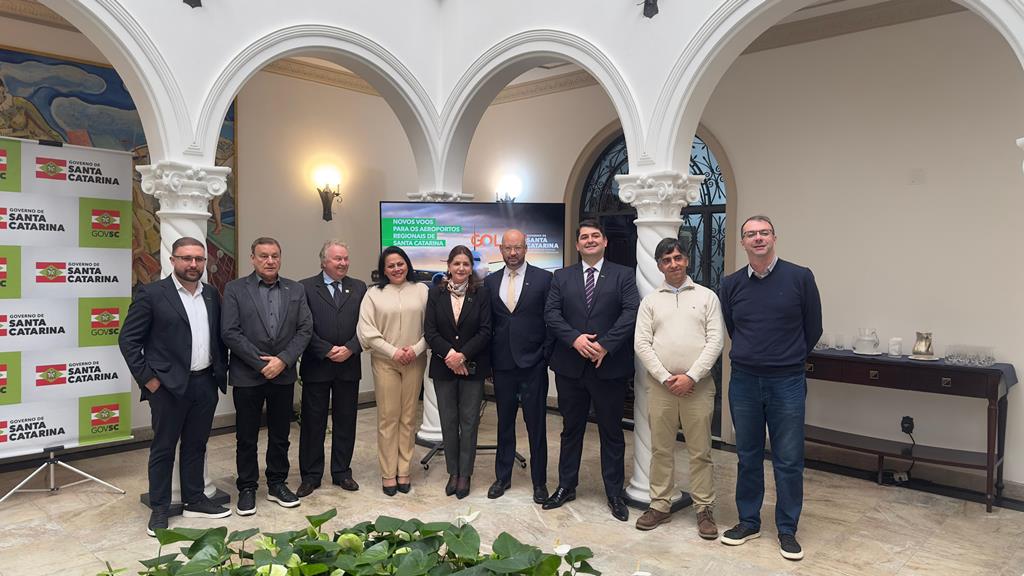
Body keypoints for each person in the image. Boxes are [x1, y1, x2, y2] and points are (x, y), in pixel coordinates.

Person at [718, 215, 822, 561]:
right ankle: (749, 521)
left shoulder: (800, 277)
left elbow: (813, 327)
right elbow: (733, 326)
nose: (758, 238)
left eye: (764, 233)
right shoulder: (731, 284)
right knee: (747, 455)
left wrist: (786, 357)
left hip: (787, 382)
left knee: (788, 460)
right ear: (743, 242)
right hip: (744, 381)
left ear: (774, 237)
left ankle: (787, 529)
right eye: (751, 234)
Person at [119, 236, 231, 537]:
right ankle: (159, 508)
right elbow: (128, 340)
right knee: (164, 448)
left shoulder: (211, 294)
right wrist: (149, 380)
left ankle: (195, 499)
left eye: (199, 259)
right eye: (186, 258)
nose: (193, 264)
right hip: (167, 388)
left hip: (205, 383)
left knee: (196, 445)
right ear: (173, 260)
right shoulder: (152, 294)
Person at [543, 219, 639, 521]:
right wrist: (575, 339)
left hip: (608, 367)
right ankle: (566, 486)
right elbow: (551, 313)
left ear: (605, 241)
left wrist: (605, 345)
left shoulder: (624, 275)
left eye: (595, 235)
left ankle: (614, 493)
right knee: (571, 430)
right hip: (570, 367)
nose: (590, 240)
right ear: (577, 244)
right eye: (584, 237)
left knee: (612, 432)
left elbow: (631, 312)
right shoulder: (562, 276)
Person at [633, 237, 723, 537]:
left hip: (698, 387)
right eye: (666, 260)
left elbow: (716, 342)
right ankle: (660, 505)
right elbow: (641, 344)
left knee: (701, 451)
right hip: (662, 388)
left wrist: (691, 377)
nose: (673, 264)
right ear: (659, 266)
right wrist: (665, 377)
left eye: (677, 258)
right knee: (661, 450)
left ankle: (704, 508)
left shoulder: (707, 297)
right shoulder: (650, 301)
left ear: (687, 260)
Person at [221, 237, 313, 515]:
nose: (270, 261)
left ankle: (276, 483)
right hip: (248, 375)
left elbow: (305, 329)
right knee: (246, 436)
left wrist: (283, 360)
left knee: (280, 434)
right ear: (253, 258)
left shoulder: (295, 289)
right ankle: (247, 487)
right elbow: (230, 331)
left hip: (282, 374)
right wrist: (261, 363)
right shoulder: (235, 289)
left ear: (280, 258)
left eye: (275, 255)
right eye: (263, 256)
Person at [483, 228, 553, 503]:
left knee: (536, 425)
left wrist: (544, 355)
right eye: (508, 248)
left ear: (526, 248)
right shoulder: (490, 282)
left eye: (518, 248)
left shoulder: (544, 279)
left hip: (533, 364)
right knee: (504, 424)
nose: (513, 253)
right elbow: (488, 325)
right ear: (501, 250)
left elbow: (552, 320)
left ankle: (539, 482)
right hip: (502, 365)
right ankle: (502, 478)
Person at [296, 240, 367, 497]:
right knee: (313, 423)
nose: (343, 263)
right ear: (323, 261)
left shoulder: (359, 287)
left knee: (346, 421)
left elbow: (366, 325)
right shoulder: (305, 287)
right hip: (317, 365)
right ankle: (311, 476)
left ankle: (342, 472)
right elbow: (302, 326)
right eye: (338, 259)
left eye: (346, 258)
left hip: (348, 365)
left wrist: (351, 348)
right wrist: (325, 349)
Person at [357, 246, 429, 496]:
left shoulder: (422, 291)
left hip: (414, 360)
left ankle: (404, 470)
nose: (397, 269)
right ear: (383, 270)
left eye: (400, 263)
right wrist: (393, 352)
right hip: (385, 361)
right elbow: (366, 331)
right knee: (388, 418)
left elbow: (432, 327)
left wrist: (415, 349)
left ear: (407, 264)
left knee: (408, 418)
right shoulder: (373, 294)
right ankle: (388, 473)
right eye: (391, 265)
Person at [424, 245, 492, 499]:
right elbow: (430, 331)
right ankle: (453, 472)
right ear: (449, 266)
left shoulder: (481, 294)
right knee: (449, 421)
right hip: (443, 367)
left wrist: (462, 355)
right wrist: (450, 355)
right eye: (457, 263)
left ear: (471, 268)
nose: (461, 268)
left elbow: (485, 331)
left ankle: (465, 474)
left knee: (469, 421)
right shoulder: (435, 293)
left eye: (466, 264)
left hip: (472, 368)